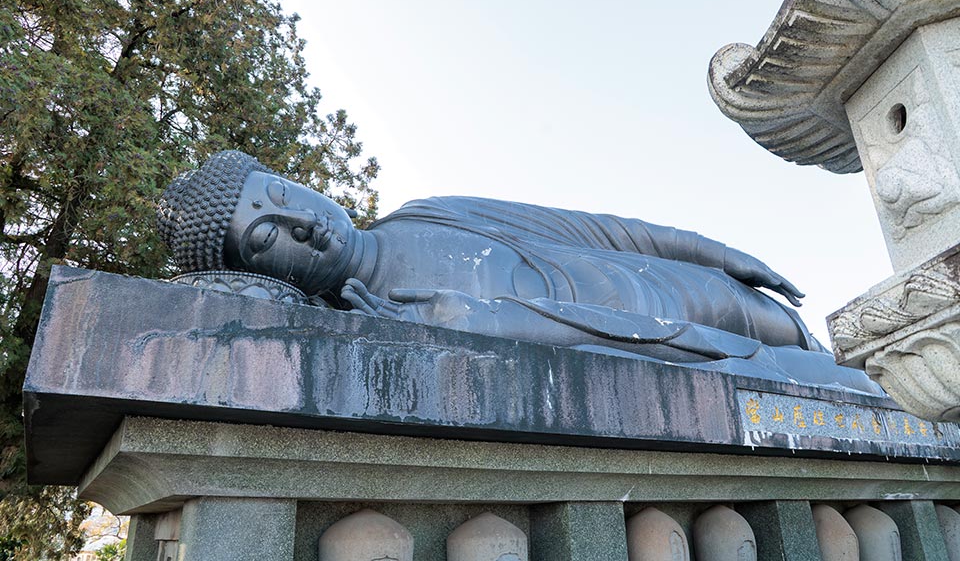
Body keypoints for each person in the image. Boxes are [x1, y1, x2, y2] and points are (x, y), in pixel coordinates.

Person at [158, 150, 822, 363]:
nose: (302, 222)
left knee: (810, 350)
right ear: (264, 272)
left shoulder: (428, 213)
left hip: (688, 287)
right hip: (676, 347)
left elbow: (592, 229)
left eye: (281, 194)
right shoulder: (384, 327)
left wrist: (713, 252)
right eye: (267, 236)